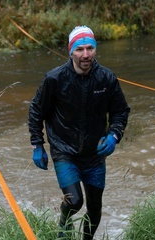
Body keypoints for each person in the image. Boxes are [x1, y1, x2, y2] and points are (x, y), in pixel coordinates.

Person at [28, 25, 130, 239]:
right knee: (75, 201)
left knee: (94, 210)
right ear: (70, 51)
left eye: (90, 48)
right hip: (65, 152)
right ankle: (64, 224)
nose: (86, 55)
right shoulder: (54, 79)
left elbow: (120, 111)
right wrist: (38, 144)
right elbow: (36, 110)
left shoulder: (106, 78)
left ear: (95, 49)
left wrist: (114, 135)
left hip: (95, 155)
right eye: (80, 49)